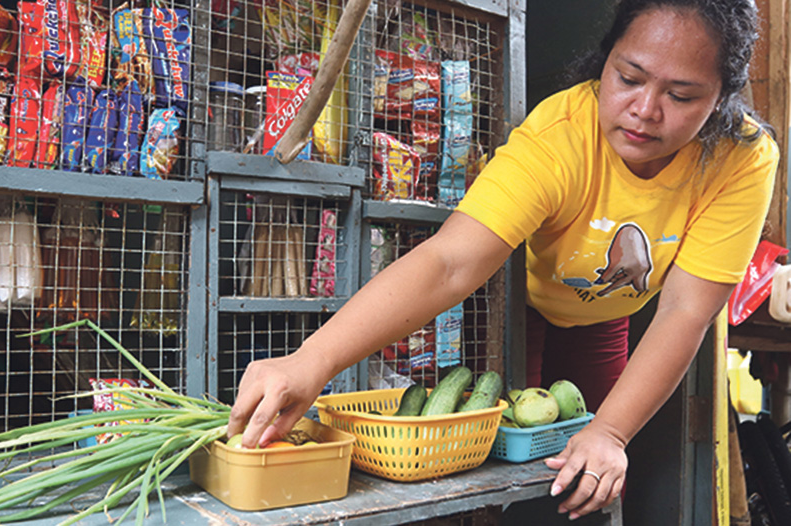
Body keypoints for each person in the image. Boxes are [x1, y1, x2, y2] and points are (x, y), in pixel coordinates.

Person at [228, 0, 779, 519]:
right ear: (605, 59)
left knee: (595, 474)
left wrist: (610, 433)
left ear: (722, 97)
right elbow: (450, 263)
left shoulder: (742, 157)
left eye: (682, 96)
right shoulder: (558, 136)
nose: (644, 110)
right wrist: (311, 361)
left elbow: (686, 310)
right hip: (523, 304)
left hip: (605, 313)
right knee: (520, 468)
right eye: (628, 77)